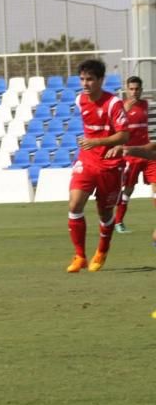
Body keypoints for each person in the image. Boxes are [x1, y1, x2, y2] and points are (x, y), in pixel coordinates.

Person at [65, 58, 129, 273]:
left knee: (104, 213)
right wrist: (90, 145)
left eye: (90, 79)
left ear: (101, 80)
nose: (85, 84)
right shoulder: (80, 100)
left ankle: (102, 250)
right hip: (87, 159)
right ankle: (80, 256)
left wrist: (98, 142)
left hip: (110, 164)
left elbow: (124, 134)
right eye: (82, 79)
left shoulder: (113, 104)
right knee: (74, 205)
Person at [113, 76, 155, 233]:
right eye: (131, 89)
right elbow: (114, 128)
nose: (134, 92)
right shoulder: (121, 107)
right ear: (126, 90)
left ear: (141, 90)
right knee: (129, 189)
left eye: (137, 89)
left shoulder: (145, 104)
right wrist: (124, 110)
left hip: (148, 153)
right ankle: (118, 222)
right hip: (130, 154)